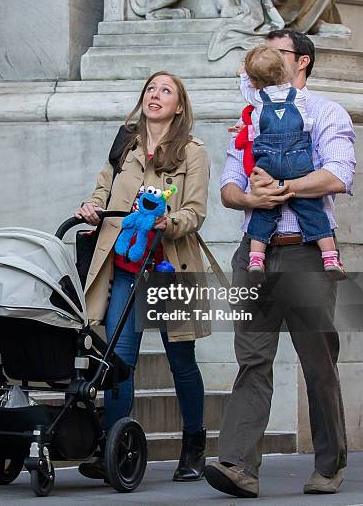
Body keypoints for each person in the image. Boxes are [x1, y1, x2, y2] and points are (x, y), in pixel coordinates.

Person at [205, 30, 356, 498]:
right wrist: (250, 196)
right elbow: (229, 187)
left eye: (278, 52)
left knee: (317, 363)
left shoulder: (326, 112)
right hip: (255, 254)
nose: (266, 59)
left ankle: (329, 464)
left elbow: (338, 174)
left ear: (302, 62)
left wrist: (285, 188)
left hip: (306, 251)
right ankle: (237, 465)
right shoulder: (250, 117)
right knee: (252, 360)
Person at [75, 71, 211, 482]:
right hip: (126, 269)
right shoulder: (126, 143)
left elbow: (196, 211)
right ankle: (115, 449)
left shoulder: (192, 151)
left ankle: (194, 446)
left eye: (166, 91)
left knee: (181, 361)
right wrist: (92, 208)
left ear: (179, 106)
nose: (156, 95)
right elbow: (103, 190)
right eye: (151, 89)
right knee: (118, 363)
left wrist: (169, 222)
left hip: (171, 270)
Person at [238, 45, 345, 280]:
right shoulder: (297, 97)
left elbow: (245, 88)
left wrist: (244, 74)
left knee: (264, 210)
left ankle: (256, 258)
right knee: (313, 209)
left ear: (256, 81)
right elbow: (305, 125)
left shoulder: (258, 100)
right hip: (296, 160)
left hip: (267, 162)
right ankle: (330, 257)